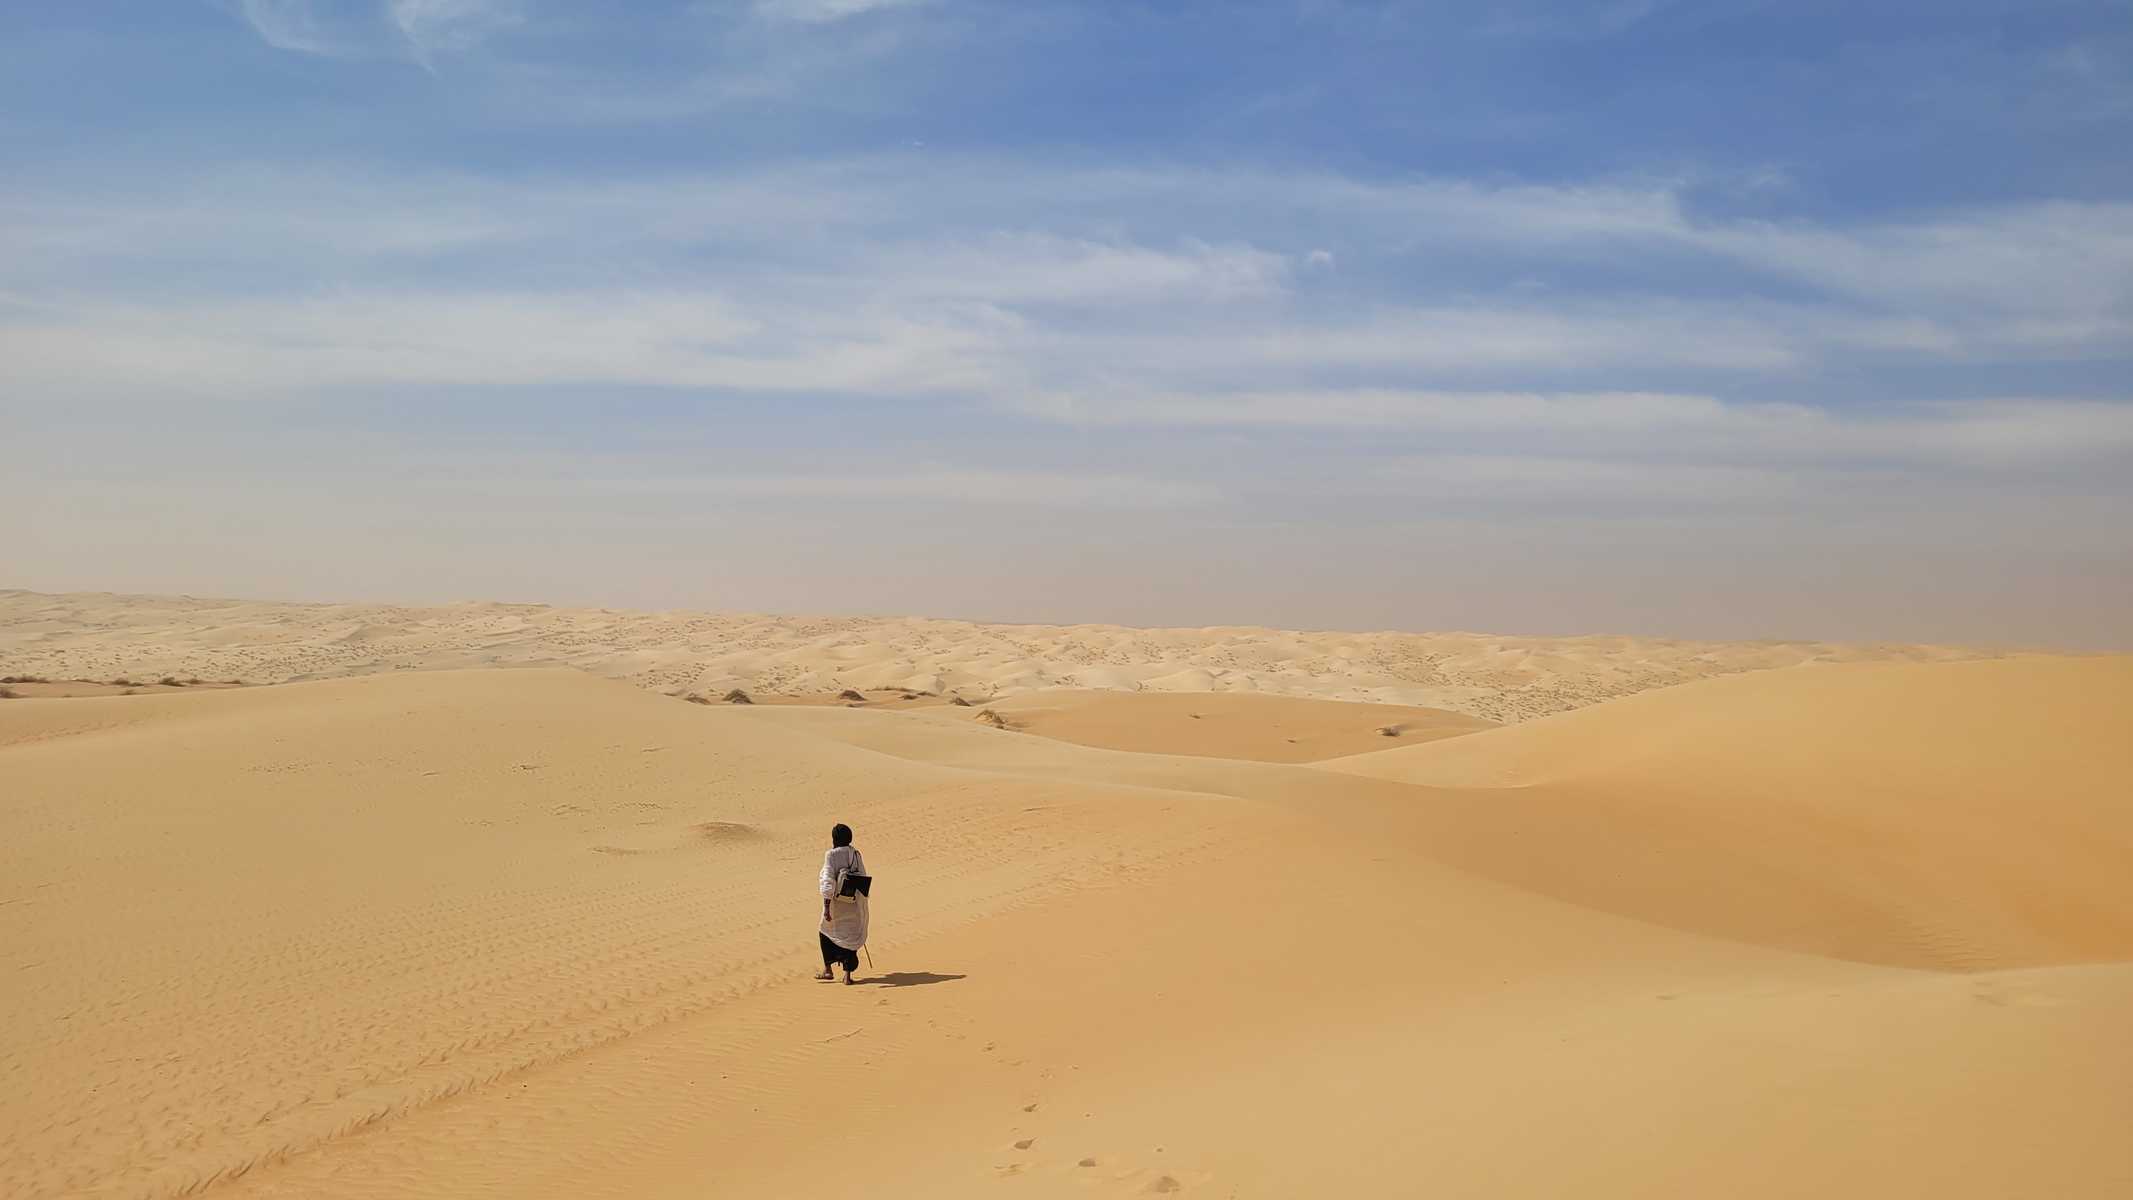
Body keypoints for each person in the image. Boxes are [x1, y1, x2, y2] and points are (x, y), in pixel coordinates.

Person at [815, 823, 869, 984]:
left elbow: (827, 881)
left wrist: (826, 907)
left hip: (836, 904)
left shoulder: (831, 855)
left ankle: (828, 969)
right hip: (854, 903)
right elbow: (863, 876)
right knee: (851, 936)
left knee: (824, 931)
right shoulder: (855, 854)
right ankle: (847, 975)